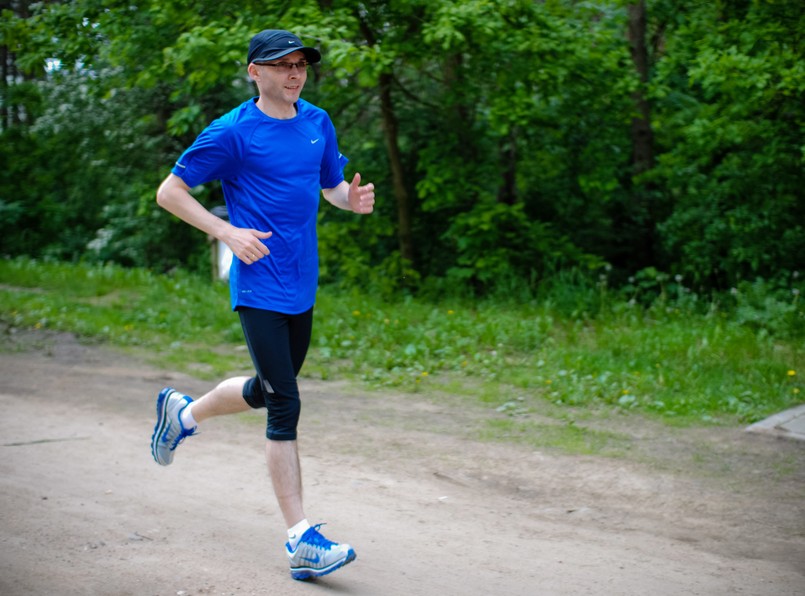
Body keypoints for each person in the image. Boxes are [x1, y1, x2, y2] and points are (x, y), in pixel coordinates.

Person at [150, 29, 375, 581]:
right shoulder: (232, 132)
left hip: (302, 279)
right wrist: (226, 232)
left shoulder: (316, 121)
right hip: (257, 282)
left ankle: (183, 415)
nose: (294, 73)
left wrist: (353, 199)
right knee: (284, 404)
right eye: (281, 65)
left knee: (267, 387)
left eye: (301, 65)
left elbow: (330, 186)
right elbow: (169, 192)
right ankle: (302, 539)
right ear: (255, 71)